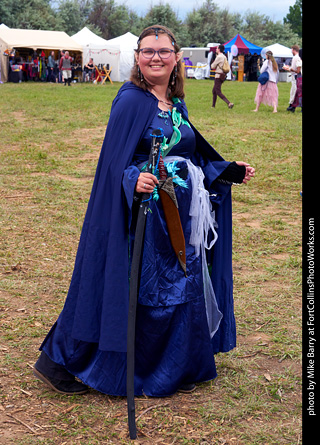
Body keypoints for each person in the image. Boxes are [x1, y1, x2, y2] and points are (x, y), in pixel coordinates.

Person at [33, 25, 255, 398]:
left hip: (177, 217)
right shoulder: (131, 101)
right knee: (134, 288)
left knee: (178, 288)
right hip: (143, 218)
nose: (156, 57)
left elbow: (191, 152)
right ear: (137, 58)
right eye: (148, 51)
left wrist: (226, 169)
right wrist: (132, 177)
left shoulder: (176, 104)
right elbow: (113, 163)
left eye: (163, 51)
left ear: (176, 58)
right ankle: (60, 361)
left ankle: (174, 365)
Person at [211, 44, 234, 109]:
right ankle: (213, 106)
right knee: (214, 91)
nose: (216, 49)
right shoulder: (224, 56)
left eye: (217, 48)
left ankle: (229, 103)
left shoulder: (219, 57)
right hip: (222, 75)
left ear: (219, 49)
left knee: (217, 91)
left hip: (218, 75)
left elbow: (212, 66)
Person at [283, 45, 301, 111]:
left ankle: (291, 106)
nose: (291, 51)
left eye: (291, 50)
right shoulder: (299, 57)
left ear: (294, 50)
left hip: (295, 76)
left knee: (294, 91)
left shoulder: (295, 58)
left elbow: (293, 68)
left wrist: (287, 68)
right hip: (298, 76)